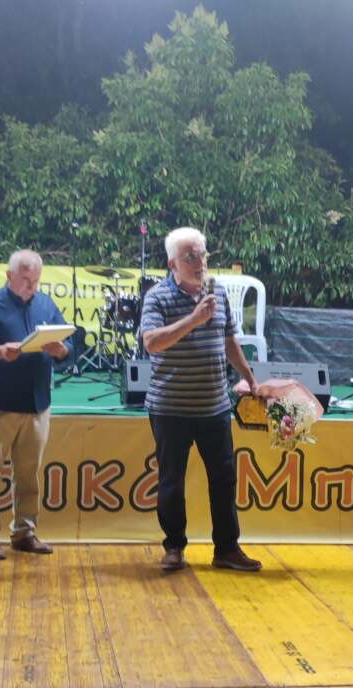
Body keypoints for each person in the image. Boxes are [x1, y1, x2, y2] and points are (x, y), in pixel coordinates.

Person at [140, 227, 262, 572]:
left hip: (214, 406)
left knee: (224, 480)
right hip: (170, 408)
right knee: (171, 481)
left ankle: (226, 549)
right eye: (190, 257)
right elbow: (152, 343)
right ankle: (174, 547)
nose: (199, 263)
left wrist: (249, 377)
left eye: (203, 255)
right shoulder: (157, 297)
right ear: (172, 264)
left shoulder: (216, 291)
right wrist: (194, 319)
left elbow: (229, 339)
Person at [0, 249, 71, 560]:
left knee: (29, 474)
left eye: (35, 280)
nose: (31, 286)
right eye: (25, 280)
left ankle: (24, 532)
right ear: (9, 276)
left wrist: (61, 350)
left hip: (37, 404)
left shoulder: (46, 304)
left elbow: (70, 346)